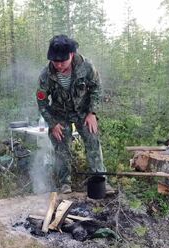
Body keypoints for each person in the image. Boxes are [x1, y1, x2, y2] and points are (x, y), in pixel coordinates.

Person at [36, 35, 113, 195]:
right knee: (61, 147)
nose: (58, 65)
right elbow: (42, 102)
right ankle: (65, 183)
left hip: (83, 112)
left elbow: (96, 88)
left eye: (62, 61)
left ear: (71, 54)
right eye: (54, 61)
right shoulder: (46, 75)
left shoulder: (86, 66)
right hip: (59, 114)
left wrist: (92, 112)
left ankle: (100, 181)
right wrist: (52, 123)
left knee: (92, 141)